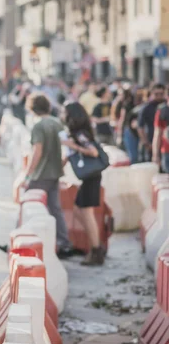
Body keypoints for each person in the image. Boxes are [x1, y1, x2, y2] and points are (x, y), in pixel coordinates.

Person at [24, 93, 73, 257]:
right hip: (55, 172)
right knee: (55, 208)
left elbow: (37, 151)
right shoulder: (57, 123)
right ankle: (64, 242)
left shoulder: (38, 126)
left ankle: (24, 241)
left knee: (29, 206)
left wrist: (28, 174)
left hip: (41, 174)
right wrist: (60, 166)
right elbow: (67, 149)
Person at [61, 102, 104, 265]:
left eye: (65, 113)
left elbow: (92, 152)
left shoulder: (80, 134)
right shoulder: (77, 133)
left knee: (86, 213)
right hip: (89, 177)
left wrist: (72, 145)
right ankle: (95, 246)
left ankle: (96, 250)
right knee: (80, 210)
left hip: (91, 176)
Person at [138, 83, 167, 162]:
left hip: (165, 144)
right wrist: (146, 143)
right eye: (156, 94)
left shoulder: (166, 107)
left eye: (161, 94)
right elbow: (140, 127)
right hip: (151, 142)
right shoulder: (146, 108)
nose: (159, 96)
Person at [117, 88, 139, 163]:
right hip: (135, 129)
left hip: (129, 129)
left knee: (132, 153)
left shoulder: (126, 105)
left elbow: (122, 119)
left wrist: (119, 134)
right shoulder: (136, 104)